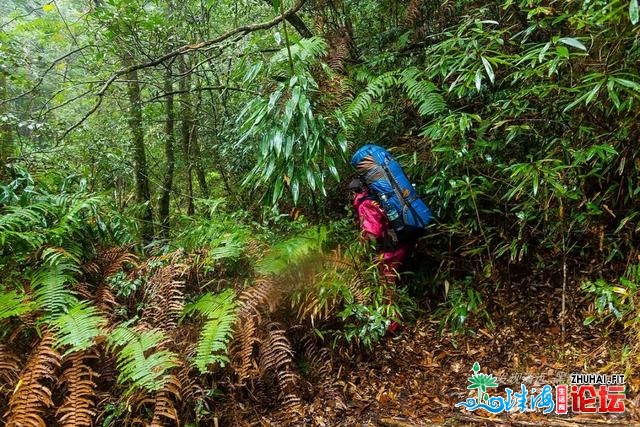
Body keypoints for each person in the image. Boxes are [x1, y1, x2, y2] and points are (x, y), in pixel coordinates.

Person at [349, 178, 411, 286]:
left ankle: (389, 301)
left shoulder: (364, 205)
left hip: (389, 249)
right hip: (401, 238)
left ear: (354, 193)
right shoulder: (376, 198)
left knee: (386, 282)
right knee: (394, 277)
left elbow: (373, 232)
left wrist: (363, 245)